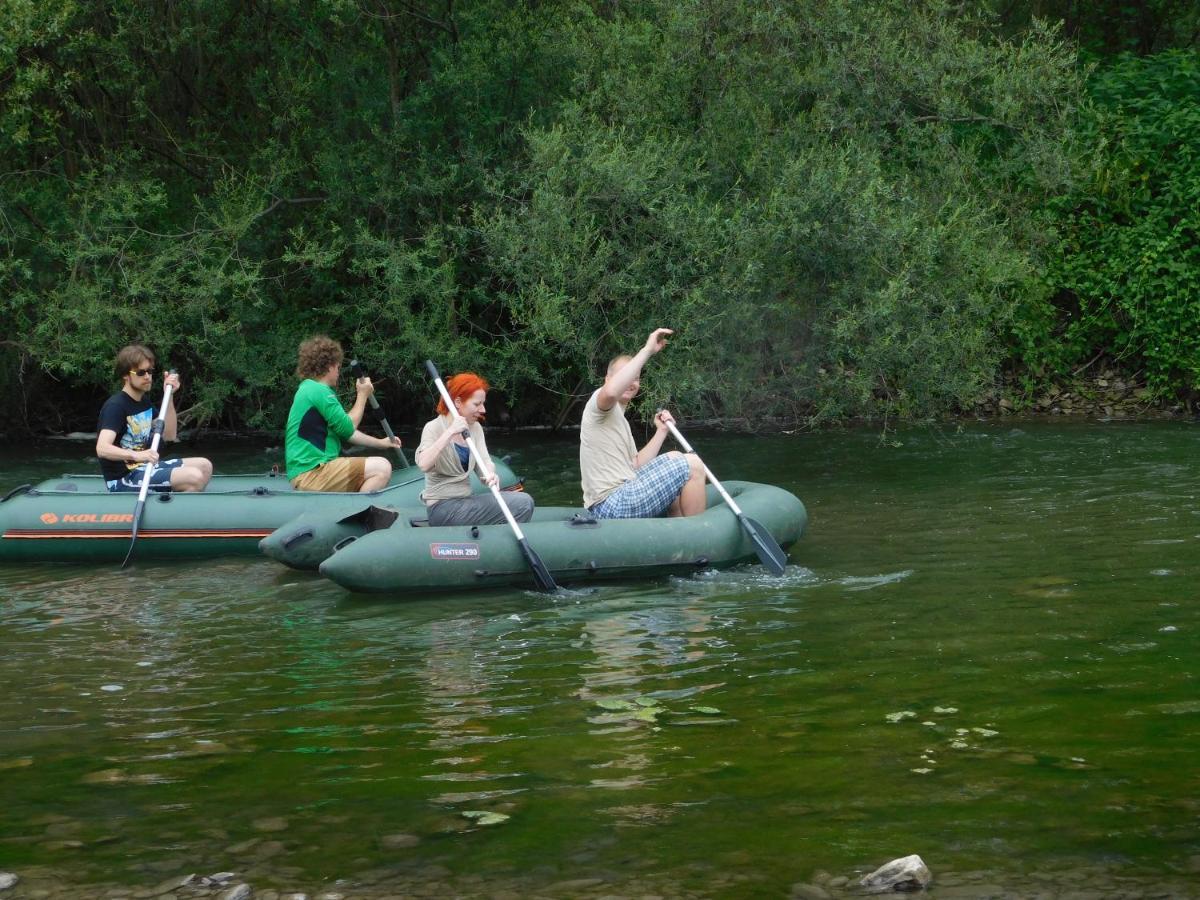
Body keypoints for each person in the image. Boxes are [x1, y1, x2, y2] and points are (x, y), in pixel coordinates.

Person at [580, 327, 706, 519]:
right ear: (608, 379)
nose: (631, 382)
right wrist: (647, 350)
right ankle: (700, 536)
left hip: (624, 492)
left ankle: (677, 534)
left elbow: (636, 464)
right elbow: (611, 391)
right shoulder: (599, 403)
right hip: (611, 505)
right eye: (627, 376)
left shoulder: (619, 420)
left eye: (636, 378)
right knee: (693, 464)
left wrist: (661, 431)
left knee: (674, 456)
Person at [284, 335, 403, 492]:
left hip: (305, 473)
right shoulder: (319, 391)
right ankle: (360, 512)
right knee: (382, 468)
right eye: (338, 368)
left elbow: (349, 433)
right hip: (313, 473)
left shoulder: (309, 389)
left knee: (372, 468)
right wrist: (362, 394)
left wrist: (382, 443)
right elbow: (349, 426)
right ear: (330, 366)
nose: (338, 373)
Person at [416, 372, 535, 526]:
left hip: (465, 501)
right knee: (523, 503)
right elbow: (423, 464)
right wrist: (451, 431)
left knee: (524, 501)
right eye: (477, 404)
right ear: (458, 402)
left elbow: (484, 461)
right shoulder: (433, 427)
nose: (483, 409)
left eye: (483, 403)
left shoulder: (475, 428)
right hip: (442, 508)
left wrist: (490, 473)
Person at [96, 344, 214, 493]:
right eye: (140, 372)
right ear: (126, 375)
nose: (147, 377)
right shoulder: (115, 406)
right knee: (194, 477)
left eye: (150, 371)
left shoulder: (144, 402)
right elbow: (102, 448)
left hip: (145, 467)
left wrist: (169, 395)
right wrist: (138, 455)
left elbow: (169, 435)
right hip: (124, 478)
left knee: (204, 466)